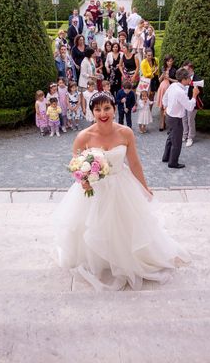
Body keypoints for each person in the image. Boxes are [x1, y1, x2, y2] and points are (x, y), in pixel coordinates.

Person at [54, 91, 190, 291]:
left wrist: (144, 187)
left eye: (107, 108)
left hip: (121, 186)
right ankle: (100, 260)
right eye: (97, 109)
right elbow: (75, 164)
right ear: (92, 112)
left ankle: (124, 258)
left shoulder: (125, 132)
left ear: (114, 109)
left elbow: (134, 162)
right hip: (95, 189)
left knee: (125, 226)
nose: (103, 113)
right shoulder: (84, 136)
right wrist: (83, 180)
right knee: (94, 227)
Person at [162, 68, 200, 169]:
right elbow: (190, 107)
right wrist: (194, 95)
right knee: (177, 142)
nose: (190, 80)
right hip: (176, 119)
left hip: (169, 116)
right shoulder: (180, 92)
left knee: (170, 138)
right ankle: (173, 162)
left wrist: (165, 107)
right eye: (188, 78)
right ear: (183, 79)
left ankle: (166, 157)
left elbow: (164, 98)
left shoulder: (173, 85)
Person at [181, 62, 204, 148]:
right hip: (184, 101)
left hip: (192, 102)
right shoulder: (184, 78)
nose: (184, 71)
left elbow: (201, 93)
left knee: (190, 120)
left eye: (186, 69)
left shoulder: (197, 79)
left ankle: (190, 137)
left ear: (191, 69)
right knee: (184, 119)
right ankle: (185, 135)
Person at [155, 55, 176, 131]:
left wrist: (169, 78)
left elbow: (177, 81)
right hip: (162, 88)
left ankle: (169, 123)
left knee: (169, 106)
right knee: (162, 106)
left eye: (171, 61)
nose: (169, 63)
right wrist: (163, 75)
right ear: (165, 62)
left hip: (170, 88)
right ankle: (162, 123)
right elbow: (159, 80)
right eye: (168, 61)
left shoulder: (174, 70)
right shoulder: (163, 68)